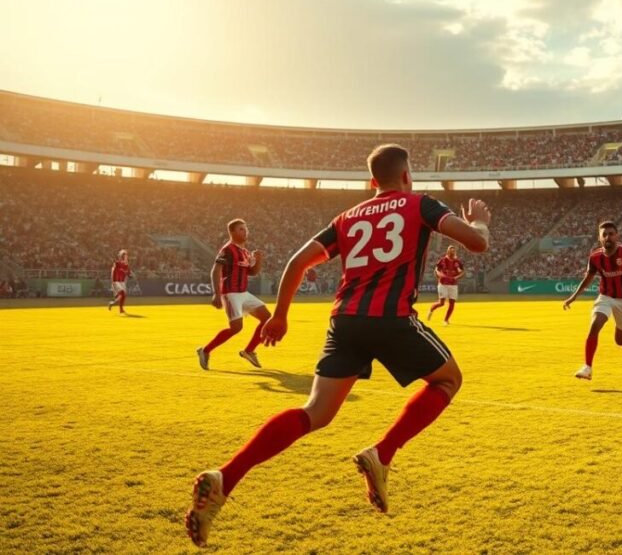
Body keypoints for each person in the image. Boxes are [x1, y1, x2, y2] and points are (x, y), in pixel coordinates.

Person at [185, 144, 491, 547]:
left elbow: (297, 262)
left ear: (371, 181)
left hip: (344, 322)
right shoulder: (421, 204)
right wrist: (479, 221)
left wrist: (280, 316)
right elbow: (476, 243)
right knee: (448, 380)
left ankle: (226, 476)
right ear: (406, 176)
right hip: (392, 318)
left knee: (315, 412)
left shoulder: (347, 217)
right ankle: (383, 453)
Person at [562, 221, 622, 381]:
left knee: (620, 341)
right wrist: (574, 296)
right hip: (605, 296)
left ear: (616, 236)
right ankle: (587, 367)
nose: (608, 237)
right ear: (599, 238)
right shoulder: (595, 257)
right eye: (604, 234)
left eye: (611, 234)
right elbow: (588, 277)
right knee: (595, 325)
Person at [195, 219, 270, 370]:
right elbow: (216, 270)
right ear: (232, 232)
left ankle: (249, 351)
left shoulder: (245, 252)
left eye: (246, 229)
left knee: (267, 318)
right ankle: (205, 350)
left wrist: (259, 260)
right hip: (230, 293)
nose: (245, 232)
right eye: (241, 229)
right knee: (236, 328)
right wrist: (217, 294)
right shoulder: (227, 250)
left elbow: (252, 272)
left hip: (243, 293)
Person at [427, 245, 464, 325]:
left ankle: (446, 320)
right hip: (443, 284)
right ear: (448, 251)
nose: (452, 252)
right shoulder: (442, 260)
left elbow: (462, 272)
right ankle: (431, 310)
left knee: (452, 303)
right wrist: (439, 275)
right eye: (451, 250)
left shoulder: (457, 262)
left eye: (453, 250)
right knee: (441, 303)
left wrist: (456, 277)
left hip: (453, 285)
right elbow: (436, 269)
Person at [108, 250, 132, 314]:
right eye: (125, 256)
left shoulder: (126, 265)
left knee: (122, 297)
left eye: (126, 256)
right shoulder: (117, 263)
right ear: (122, 257)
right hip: (116, 281)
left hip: (122, 282)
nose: (126, 258)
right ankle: (120, 309)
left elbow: (128, 273)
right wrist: (113, 281)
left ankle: (112, 304)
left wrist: (130, 275)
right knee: (122, 294)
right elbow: (113, 270)